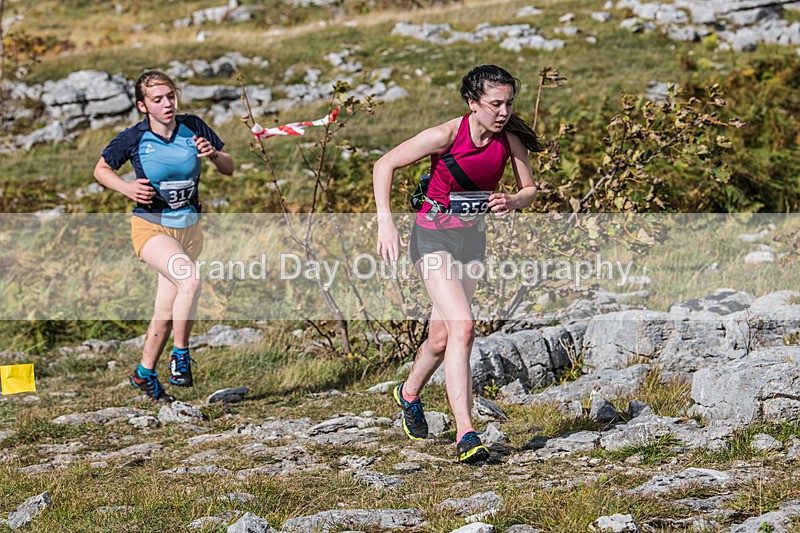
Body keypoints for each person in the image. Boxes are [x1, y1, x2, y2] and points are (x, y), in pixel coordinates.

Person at [373, 65, 540, 463]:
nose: (503, 112)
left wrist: (513, 200)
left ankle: (408, 393)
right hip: (432, 236)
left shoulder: (510, 139)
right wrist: (385, 222)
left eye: (509, 103)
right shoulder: (446, 135)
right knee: (463, 325)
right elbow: (384, 165)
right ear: (473, 103)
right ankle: (467, 433)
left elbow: (529, 189)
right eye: (495, 104)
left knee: (442, 337)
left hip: (472, 240)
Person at [94, 70, 234, 403]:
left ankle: (143, 374)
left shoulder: (194, 126)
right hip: (151, 228)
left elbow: (229, 167)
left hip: (189, 230)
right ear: (143, 105)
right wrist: (128, 188)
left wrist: (213, 154)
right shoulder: (134, 138)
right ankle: (181, 356)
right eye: (157, 100)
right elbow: (101, 169)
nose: (167, 104)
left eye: (170, 96)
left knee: (166, 312)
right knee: (191, 282)